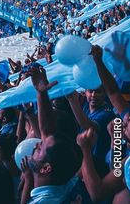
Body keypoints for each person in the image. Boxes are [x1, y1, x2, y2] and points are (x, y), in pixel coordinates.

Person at [20, 66, 83, 204]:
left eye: (40, 148)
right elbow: (47, 132)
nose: (37, 143)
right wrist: (41, 93)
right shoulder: (67, 180)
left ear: (46, 168)